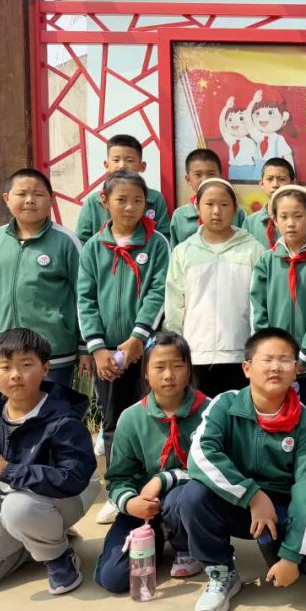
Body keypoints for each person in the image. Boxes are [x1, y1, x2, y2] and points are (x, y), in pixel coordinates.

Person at [179, 328, 306, 611]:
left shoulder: (305, 422)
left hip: (283, 511)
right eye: (267, 359)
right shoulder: (225, 404)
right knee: (193, 495)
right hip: (238, 503)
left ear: (296, 370)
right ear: (247, 368)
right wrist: (253, 496)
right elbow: (201, 455)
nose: (276, 367)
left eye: (285, 360)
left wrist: (291, 555)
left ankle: (275, 549)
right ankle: (221, 572)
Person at [0, 328, 99, 596]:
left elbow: (73, 478)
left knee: (19, 507)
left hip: (64, 499)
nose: (15, 375)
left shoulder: (63, 419)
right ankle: (34, 541)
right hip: (8, 507)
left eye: (26, 365)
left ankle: (58, 556)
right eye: (5, 367)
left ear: (45, 369)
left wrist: (8, 471)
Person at [77, 171, 171, 523]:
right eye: (121, 200)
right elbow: (85, 298)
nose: (130, 207)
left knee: (153, 418)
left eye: (137, 201)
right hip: (107, 357)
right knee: (114, 420)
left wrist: (137, 339)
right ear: (105, 202)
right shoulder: (93, 247)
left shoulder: (157, 244)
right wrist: (98, 348)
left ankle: (155, 488)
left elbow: (158, 292)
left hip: (147, 351)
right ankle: (119, 489)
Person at [94, 332, 209, 592]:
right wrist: (131, 503)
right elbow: (118, 478)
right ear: (145, 372)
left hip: (188, 505)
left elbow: (213, 469)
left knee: (180, 498)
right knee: (113, 578)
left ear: (189, 370)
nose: (168, 375)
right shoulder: (131, 418)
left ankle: (186, 546)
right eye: (159, 367)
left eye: (177, 366)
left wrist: (163, 478)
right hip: (143, 507)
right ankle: (158, 535)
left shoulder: (209, 411)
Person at [0, 168, 87, 390]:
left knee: (54, 407)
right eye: (21, 193)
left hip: (54, 353)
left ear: (50, 200)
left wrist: (85, 346)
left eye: (38, 194)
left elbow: (84, 295)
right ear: (6, 198)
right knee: (13, 409)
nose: (30, 200)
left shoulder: (66, 241)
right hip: (5, 352)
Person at [165, 178, 264, 397]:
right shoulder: (184, 252)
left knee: (237, 413)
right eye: (209, 204)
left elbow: (261, 303)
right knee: (199, 414)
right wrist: (176, 347)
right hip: (196, 354)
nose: (217, 211)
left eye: (224, 204)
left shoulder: (253, 250)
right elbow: (174, 304)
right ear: (197, 207)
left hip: (241, 355)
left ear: (235, 209)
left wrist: (258, 349)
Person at [250, 185, 306, 423]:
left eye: (298, 216)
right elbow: (258, 310)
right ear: (275, 220)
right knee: (274, 422)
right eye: (284, 217)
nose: (291, 223)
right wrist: (271, 353)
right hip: (275, 365)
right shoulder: (266, 262)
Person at [75, 134, 171, 245]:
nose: (122, 165)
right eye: (116, 160)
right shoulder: (93, 201)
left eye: (129, 160)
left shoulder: (155, 199)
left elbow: (165, 238)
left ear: (142, 166)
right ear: (106, 165)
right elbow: (81, 241)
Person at [168, 148, 247, 247]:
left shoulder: (236, 212)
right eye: (198, 175)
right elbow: (174, 251)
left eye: (211, 174)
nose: (205, 179)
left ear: (220, 177)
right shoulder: (180, 215)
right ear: (188, 179)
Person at [245, 156, 296, 250]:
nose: (275, 185)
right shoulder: (250, 222)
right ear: (261, 184)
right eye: (270, 179)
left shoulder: (299, 219)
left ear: (292, 184)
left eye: (281, 179)